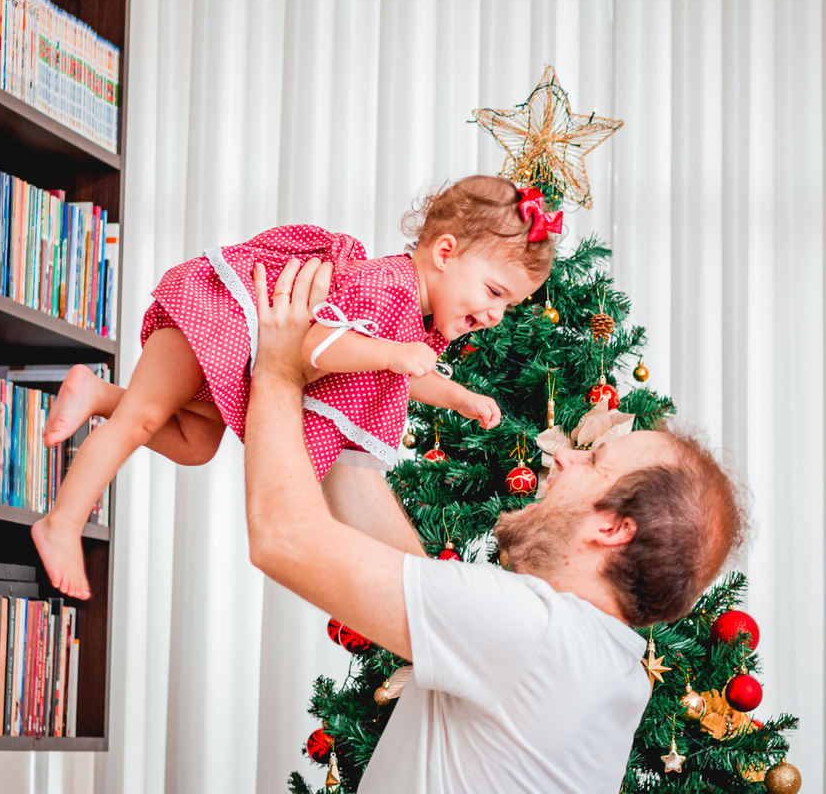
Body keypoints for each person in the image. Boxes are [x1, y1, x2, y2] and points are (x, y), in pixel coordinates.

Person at [245, 258, 748, 793]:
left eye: (594, 462)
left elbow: (283, 538)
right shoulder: (597, 657)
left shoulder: (538, 633)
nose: (562, 458)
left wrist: (278, 370)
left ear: (614, 530)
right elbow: (412, 578)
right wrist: (342, 403)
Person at [30, 176, 560, 601]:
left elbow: (407, 376)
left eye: (508, 306)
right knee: (140, 421)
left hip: (236, 351)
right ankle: (63, 521)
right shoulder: (388, 285)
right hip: (218, 315)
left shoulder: (416, 319)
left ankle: (96, 394)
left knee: (195, 445)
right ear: (444, 252)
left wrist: (459, 397)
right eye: (493, 292)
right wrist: (392, 354)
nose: (494, 314)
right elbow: (318, 347)